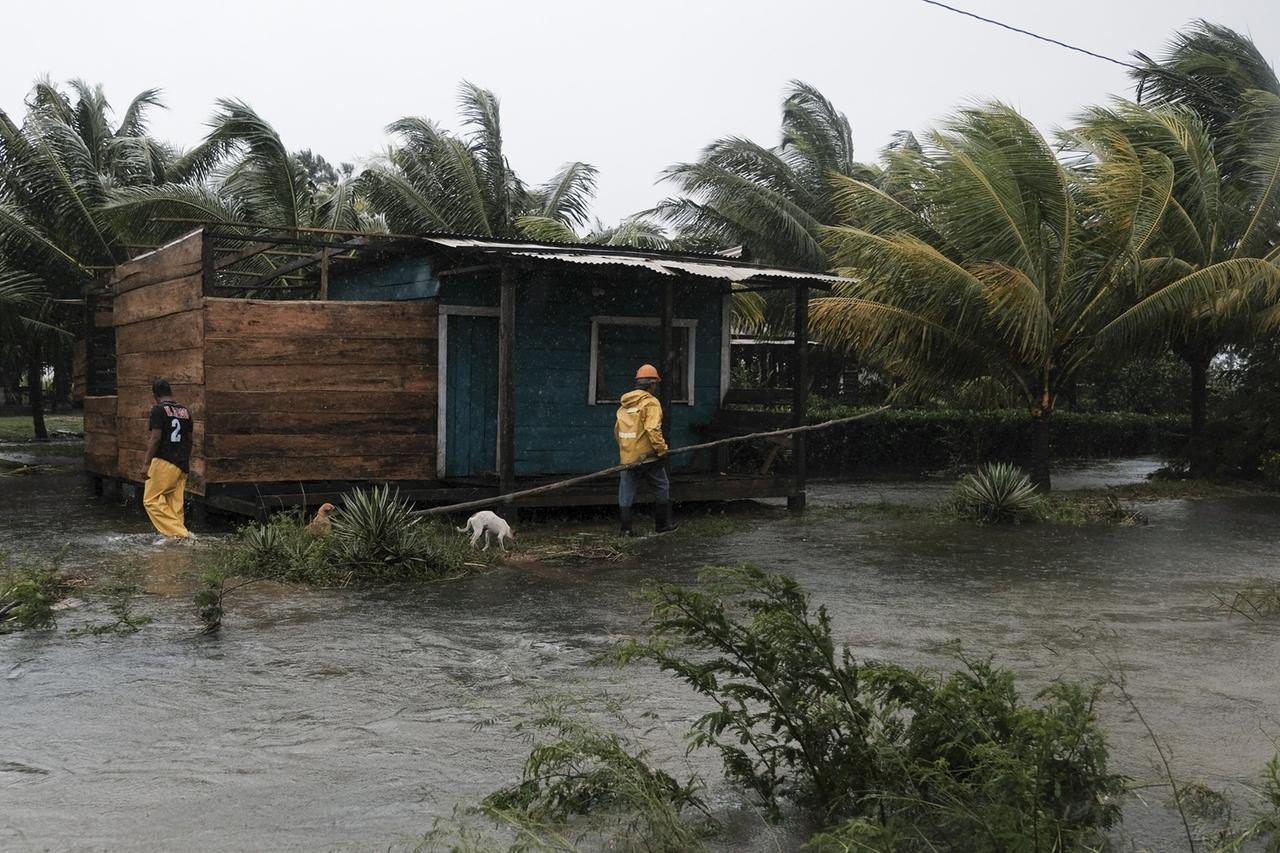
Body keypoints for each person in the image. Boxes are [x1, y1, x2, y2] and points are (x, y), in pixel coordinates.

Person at [614, 364, 678, 536]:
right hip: (648, 457)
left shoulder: (624, 405)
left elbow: (617, 431)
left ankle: (625, 529)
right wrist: (662, 450)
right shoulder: (651, 403)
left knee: (626, 492)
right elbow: (652, 429)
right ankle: (662, 525)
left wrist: (627, 450)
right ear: (652, 385)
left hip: (628, 457)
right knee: (661, 486)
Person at [140, 379, 195, 545]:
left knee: (150, 500)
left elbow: (156, 438)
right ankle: (176, 540)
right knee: (174, 503)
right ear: (171, 392)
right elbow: (190, 439)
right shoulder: (185, 411)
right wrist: (186, 460)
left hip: (164, 460)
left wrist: (146, 463)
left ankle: (182, 535)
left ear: (155, 396)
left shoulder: (158, 409)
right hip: (182, 463)